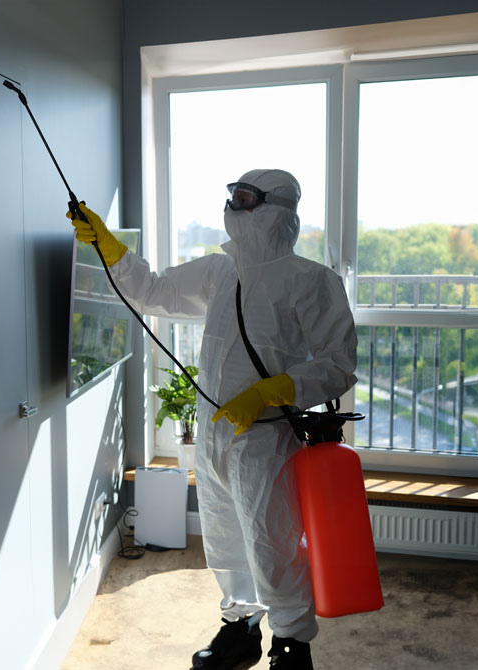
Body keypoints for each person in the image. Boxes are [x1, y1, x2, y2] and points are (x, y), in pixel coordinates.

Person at [69, 169, 357, 670]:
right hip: (215, 429)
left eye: (246, 198)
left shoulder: (311, 280)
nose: (234, 206)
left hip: (266, 437)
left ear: (275, 209)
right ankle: (240, 628)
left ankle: (291, 645)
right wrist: (111, 246)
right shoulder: (219, 272)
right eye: (232, 196)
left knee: (272, 540)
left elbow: (338, 363)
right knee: (223, 536)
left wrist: (274, 391)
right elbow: (156, 291)